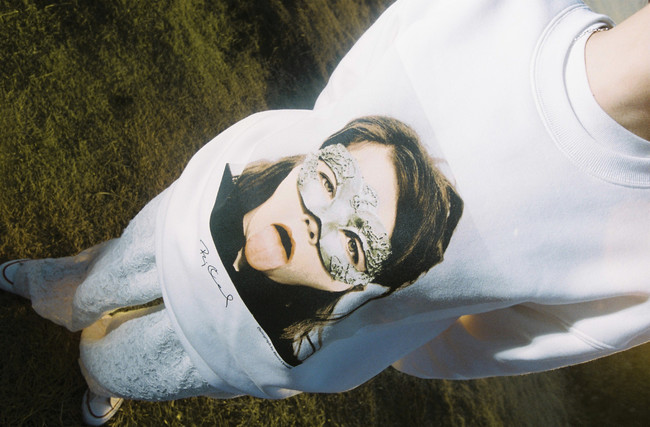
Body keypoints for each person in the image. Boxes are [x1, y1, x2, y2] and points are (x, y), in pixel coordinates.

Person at [2, 0, 650, 424]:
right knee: (111, 272)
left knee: (135, 365)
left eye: (354, 244)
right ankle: (54, 286)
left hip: (248, 349)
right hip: (189, 215)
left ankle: (106, 374)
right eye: (330, 184)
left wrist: (383, 328)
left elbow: (503, 341)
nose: (319, 223)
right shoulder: (503, 11)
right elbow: (347, 91)